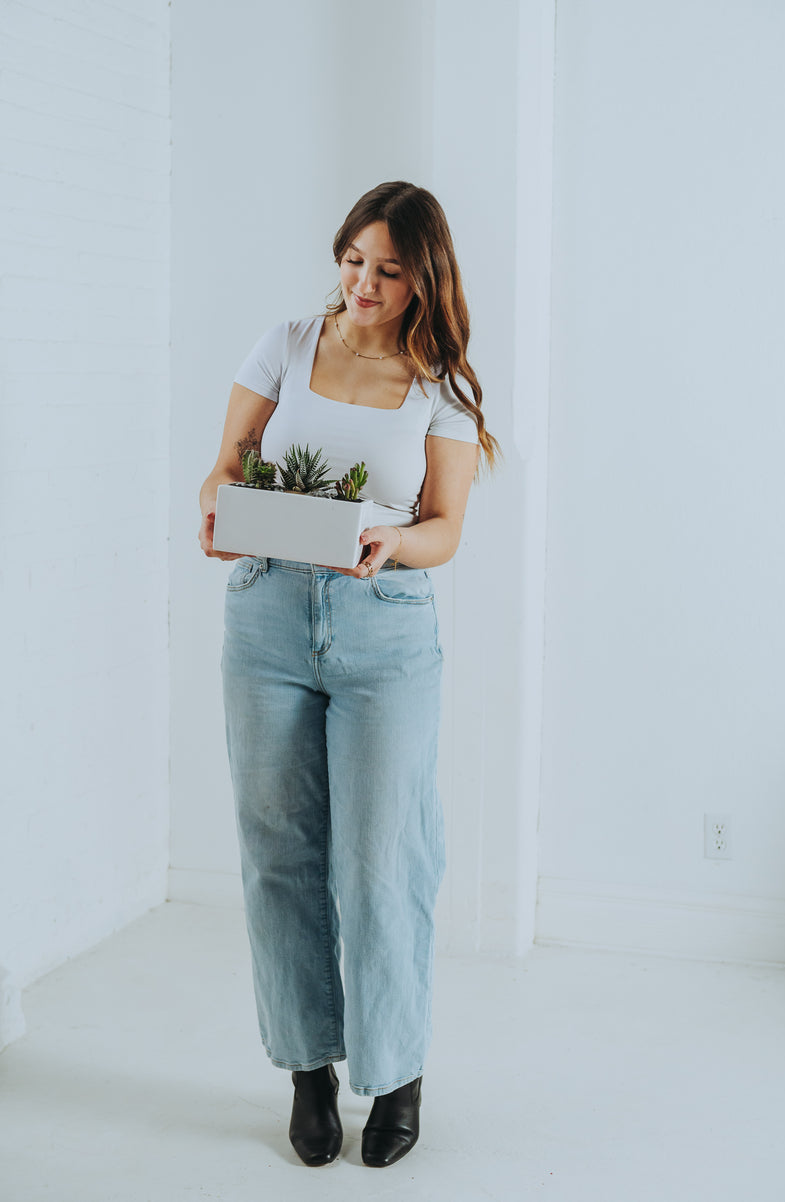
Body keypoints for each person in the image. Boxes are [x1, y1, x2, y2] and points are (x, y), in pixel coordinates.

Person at [198, 181, 497, 1168]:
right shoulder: (284, 343)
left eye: (388, 269)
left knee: (380, 859)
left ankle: (395, 1069)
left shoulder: (441, 387)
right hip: (267, 615)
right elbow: (228, 464)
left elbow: (443, 530)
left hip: (383, 631)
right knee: (277, 849)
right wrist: (215, 505)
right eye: (352, 259)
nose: (362, 282)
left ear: (423, 282)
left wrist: (387, 541)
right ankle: (308, 1072)